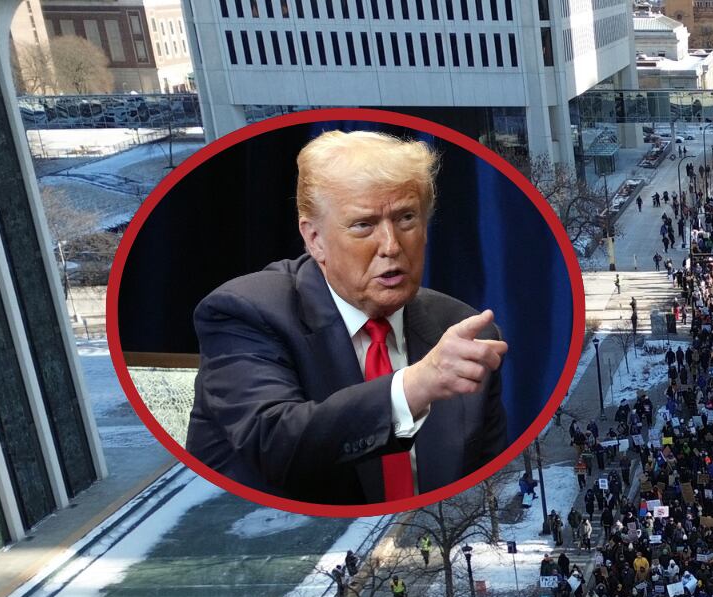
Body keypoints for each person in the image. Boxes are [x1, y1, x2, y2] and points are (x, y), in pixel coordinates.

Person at [185, 130, 509, 504]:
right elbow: (274, 443)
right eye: (364, 225)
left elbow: (489, 487)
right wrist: (413, 387)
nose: (391, 246)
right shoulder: (244, 312)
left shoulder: (461, 330)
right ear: (315, 238)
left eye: (406, 218)